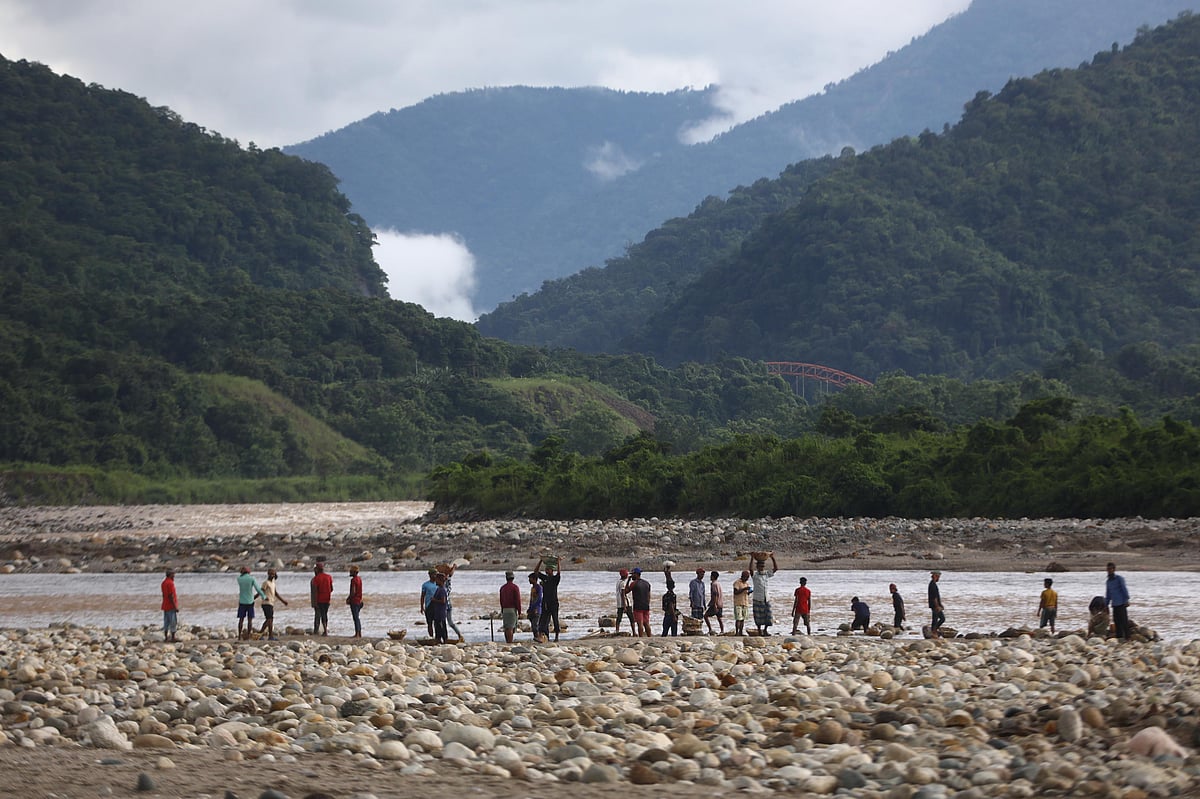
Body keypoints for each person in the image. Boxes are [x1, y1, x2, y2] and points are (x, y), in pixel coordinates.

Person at [750, 552, 778, 635]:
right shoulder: (755, 575)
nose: (761, 568)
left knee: (768, 615)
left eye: (762, 566)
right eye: (760, 566)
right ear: (757, 567)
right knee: (758, 616)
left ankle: (765, 630)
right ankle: (759, 630)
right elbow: (750, 570)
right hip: (758, 598)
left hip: (766, 598)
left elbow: (776, 569)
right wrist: (752, 558)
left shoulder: (766, 574)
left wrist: (772, 558)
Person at [536, 556, 562, 642]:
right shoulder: (545, 578)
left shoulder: (555, 579)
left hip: (554, 602)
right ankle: (542, 636)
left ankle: (557, 636)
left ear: (552, 570)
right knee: (543, 619)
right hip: (546, 602)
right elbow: (536, 571)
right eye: (546, 569)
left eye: (548, 569)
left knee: (555, 619)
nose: (546, 570)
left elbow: (559, 573)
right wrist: (540, 561)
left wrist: (558, 562)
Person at [237, 566, 266, 640]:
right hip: (250, 601)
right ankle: (249, 635)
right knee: (249, 620)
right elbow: (258, 589)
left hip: (242, 601)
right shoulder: (252, 579)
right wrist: (263, 596)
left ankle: (239, 636)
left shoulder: (239, 579)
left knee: (241, 619)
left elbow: (240, 576)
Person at [259, 568, 289, 640]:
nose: (272, 575)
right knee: (270, 619)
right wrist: (262, 597)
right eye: (271, 574)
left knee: (269, 620)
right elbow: (261, 591)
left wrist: (283, 601)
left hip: (271, 603)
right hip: (266, 603)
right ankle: (270, 636)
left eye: (273, 574)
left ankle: (260, 633)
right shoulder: (265, 583)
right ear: (268, 574)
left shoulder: (273, 583)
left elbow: (276, 593)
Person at [624, 567, 652, 637]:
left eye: (633, 574)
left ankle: (641, 637)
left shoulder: (634, 583)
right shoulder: (647, 583)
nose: (631, 576)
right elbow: (649, 596)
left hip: (638, 606)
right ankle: (649, 637)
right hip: (646, 605)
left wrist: (628, 581)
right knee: (647, 623)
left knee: (640, 623)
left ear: (636, 574)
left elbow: (626, 591)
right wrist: (647, 603)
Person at [1105, 562, 1130, 639]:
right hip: (1114, 604)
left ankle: (1127, 637)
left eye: (1111, 569)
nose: (1109, 571)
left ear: (1114, 569)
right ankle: (1119, 638)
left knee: (1124, 621)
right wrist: (1106, 604)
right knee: (1116, 621)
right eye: (1108, 569)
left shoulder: (1119, 579)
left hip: (1122, 603)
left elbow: (1124, 589)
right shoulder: (1108, 582)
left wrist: (1126, 599)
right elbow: (1108, 594)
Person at [441, 564, 465, 643]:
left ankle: (458, 635)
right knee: (449, 622)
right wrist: (453, 568)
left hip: (445, 605)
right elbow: (450, 574)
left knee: (447, 622)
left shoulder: (445, 581)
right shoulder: (445, 580)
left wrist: (453, 568)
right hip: (447, 605)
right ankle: (455, 636)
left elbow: (450, 575)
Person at [310, 562, 333, 636]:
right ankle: (325, 629)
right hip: (327, 599)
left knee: (318, 615)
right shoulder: (329, 577)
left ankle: (318, 631)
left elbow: (315, 591)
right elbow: (331, 588)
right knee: (325, 614)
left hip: (319, 599)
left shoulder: (315, 579)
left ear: (317, 570)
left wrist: (314, 602)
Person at [499, 570, 521, 643]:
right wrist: (519, 610)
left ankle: (507, 641)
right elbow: (518, 599)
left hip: (505, 609)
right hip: (512, 609)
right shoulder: (515, 587)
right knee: (511, 627)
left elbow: (501, 600)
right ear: (513, 578)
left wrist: (502, 609)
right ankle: (510, 642)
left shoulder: (502, 588)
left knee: (506, 627)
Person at [429, 572, 449, 644]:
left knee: (441, 626)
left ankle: (443, 639)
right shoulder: (439, 589)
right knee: (438, 625)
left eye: (437, 580)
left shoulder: (442, 590)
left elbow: (443, 601)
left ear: (440, 580)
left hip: (440, 612)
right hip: (438, 611)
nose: (435, 581)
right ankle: (439, 639)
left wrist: (434, 600)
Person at [731, 570, 752, 635]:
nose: (747, 579)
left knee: (743, 619)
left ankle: (741, 632)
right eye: (746, 577)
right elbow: (736, 592)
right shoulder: (737, 583)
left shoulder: (746, 583)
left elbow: (746, 594)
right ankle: (737, 632)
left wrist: (749, 592)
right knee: (738, 618)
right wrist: (744, 589)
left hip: (745, 603)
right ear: (743, 576)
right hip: (738, 603)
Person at [419, 568, 438, 638]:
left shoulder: (439, 584)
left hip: (437, 605)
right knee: (429, 623)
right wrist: (422, 607)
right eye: (433, 574)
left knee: (437, 623)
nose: (435, 576)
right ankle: (431, 637)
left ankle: (437, 637)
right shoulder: (425, 585)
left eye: (436, 574)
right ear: (430, 575)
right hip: (428, 605)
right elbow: (422, 596)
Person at [161, 568, 179, 643]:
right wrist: (175, 607)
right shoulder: (170, 583)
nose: (174, 575)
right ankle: (173, 637)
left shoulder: (163, 583)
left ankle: (166, 637)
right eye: (173, 574)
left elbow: (164, 595)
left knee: (166, 621)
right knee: (173, 621)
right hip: (171, 606)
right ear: (170, 575)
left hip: (165, 605)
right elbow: (171, 596)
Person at [614, 568, 634, 634]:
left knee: (619, 618)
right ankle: (634, 631)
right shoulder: (622, 583)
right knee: (631, 618)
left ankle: (617, 630)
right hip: (625, 603)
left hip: (619, 603)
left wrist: (628, 580)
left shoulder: (618, 582)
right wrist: (625, 606)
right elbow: (623, 594)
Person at [661, 563, 679, 636]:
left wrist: (667, 572)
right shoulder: (672, 595)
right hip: (671, 615)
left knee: (664, 632)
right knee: (674, 633)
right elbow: (671, 605)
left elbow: (668, 580)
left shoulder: (665, 596)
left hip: (666, 615)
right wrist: (674, 616)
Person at [705, 570, 724, 634]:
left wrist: (714, 604)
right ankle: (722, 630)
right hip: (720, 603)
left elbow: (715, 594)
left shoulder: (714, 584)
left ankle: (710, 629)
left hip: (715, 604)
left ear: (712, 577)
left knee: (705, 616)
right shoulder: (718, 584)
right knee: (719, 618)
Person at [347, 564, 364, 638]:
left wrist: (349, 598)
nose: (349, 572)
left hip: (354, 601)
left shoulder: (353, 580)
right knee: (357, 617)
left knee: (355, 617)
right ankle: (359, 633)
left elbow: (353, 592)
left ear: (354, 572)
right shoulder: (359, 579)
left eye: (351, 571)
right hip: (359, 600)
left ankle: (357, 633)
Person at [928, 570, 945, 639]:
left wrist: (940, 604)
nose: (939, 578)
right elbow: (934, 597)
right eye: (938, 577)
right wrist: (937, 606)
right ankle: (933, 631)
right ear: (935, 576)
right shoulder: (932, 585)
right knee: (937, 619)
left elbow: (937, 597)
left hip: (935, 605)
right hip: (934, 605)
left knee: (940, 619)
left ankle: (934, 630)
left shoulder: (933, 584)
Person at [527, 571, 543, 642]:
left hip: (537, 609)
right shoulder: (532, 587)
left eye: (530, 579)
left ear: (534, 579)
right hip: (532, 608)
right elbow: (531, 599)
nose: (529, 580)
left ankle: (538, 637)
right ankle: (536, 637)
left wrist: (536, 608)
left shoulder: (538, 587)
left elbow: (539, 598)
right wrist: (529, 608)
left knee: (535, 625)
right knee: (532, 623)